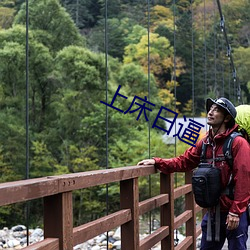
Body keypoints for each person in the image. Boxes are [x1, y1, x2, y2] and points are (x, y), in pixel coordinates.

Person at [138, 97, 250, 250]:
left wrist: (236, 212)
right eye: (210, 109)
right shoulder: (205, 143)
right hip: (213, 210)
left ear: (227, 118)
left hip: (233, 210)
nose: (210, 112)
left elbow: (244, 178)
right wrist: (157, 162)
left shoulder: (238, 143)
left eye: (216, 110)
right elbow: (184, 161)